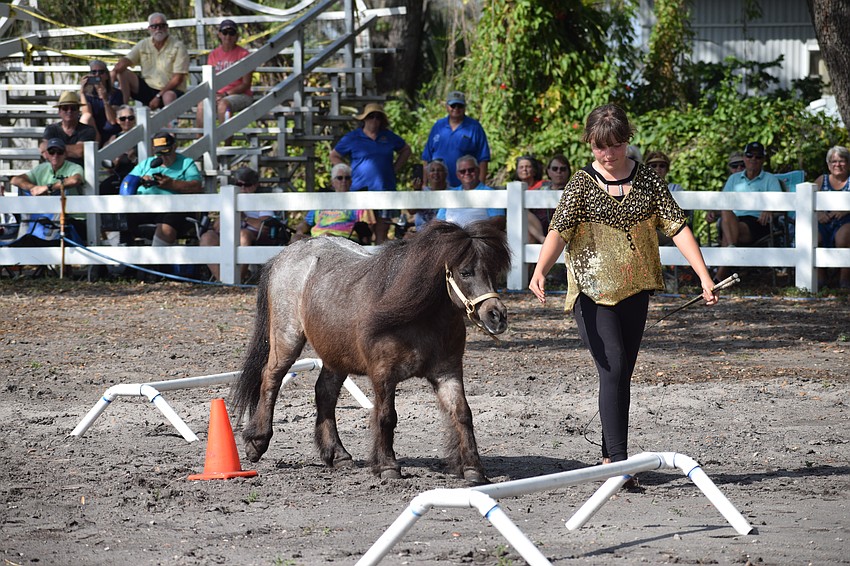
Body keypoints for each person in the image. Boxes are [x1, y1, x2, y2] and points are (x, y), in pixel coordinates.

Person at [529, 104, 718, 474]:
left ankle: (607, 455)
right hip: (591, 292)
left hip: (635, 289)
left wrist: (704, 275)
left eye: (615, 146)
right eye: (601, 147)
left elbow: (677, 227)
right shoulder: (581, 183)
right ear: (590, 145)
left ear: (627, 142)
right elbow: (559, 230)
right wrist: (539, 270)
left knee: (620, 374)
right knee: (613, 367)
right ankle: (618, 465)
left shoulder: (648, 180)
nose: (609, 154)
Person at [329, 103, 411, 244]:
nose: (374, 120)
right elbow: (334, 155)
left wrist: (395, 168)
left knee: (382, 233)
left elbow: (406, 150)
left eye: (378, 117)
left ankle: (380, 264)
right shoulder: (353, 137)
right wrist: (347, 172)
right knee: (363, 232)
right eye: (371, 116)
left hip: (385, 188)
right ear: (364, 119)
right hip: (360, 190)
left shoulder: (389, 136)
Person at [711, 141, 782, 280]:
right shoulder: (734, 179)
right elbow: (722, 203)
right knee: (726, 212)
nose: (753, 160)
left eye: (758, 157)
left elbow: (780, 202)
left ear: (763, 160)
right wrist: (713, 212)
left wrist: (770, 209)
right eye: (750, 156)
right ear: (745, 157)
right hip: (733, 220)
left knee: (728, 233)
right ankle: (730, 252)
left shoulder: (770, 179)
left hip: (758, 222)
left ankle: (719, 276)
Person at [122, 132, 203, 247]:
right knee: (116, 218)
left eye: (166, 152)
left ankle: (157, 262)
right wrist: (140, 180)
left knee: (167, 225)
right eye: (159, 153)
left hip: (173, 208)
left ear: (174, 147)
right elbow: (128, 181)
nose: (163, 157)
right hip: (144, 207)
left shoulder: (186, 163)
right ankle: (120, 261)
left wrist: (173, 184)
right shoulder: (146, 164)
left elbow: (196, 186)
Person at [200, 167, 273, 282]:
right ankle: (222, 281)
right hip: (227, 233)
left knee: (242, 235)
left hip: (251, 234)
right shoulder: (228, 198)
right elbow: (216, 227)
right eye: (239, 184)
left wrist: (244, 218)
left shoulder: (261, 200)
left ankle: (238, 280)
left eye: (247, 185)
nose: (243, 188)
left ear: (255, 185)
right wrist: (225, 215)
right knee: (207, 237)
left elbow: (265, 226)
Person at [9, 138, 85, 245]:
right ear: (46, 154)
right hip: (44, 221)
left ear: (65, 154)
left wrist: (48, 187)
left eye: (59, 152)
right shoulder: (42, 168)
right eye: (52, 152)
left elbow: (75, 180)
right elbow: (15, 180)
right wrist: (33, 188)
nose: (55, 155)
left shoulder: (74, 167)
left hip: (72, 219)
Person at [111, 13, 189, 109]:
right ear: (149, 29)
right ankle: (124, 111)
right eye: (154, 26)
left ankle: (171, 123)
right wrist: (114, 71)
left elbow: (178, 79)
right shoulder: (143, 44)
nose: (158, 29)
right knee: (123, 72)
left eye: (162, 26)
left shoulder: (178, 46)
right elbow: (127, 59)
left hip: (171, 90)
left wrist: (158, 96)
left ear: (167, 27)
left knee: (168, 96)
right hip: (149, 88)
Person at [421, 90, 491, 186]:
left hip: (466, 187)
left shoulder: (474, 127)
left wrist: (480, 187)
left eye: (460, 106)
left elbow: (483, 159)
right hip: (438, 187)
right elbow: (426, 157)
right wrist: (424, 184)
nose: (456, 108)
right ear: (447, 107)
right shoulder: (438, 126)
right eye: (453, 105)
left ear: (465, 107)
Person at [194, 19, 253, 133]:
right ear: (220, 35)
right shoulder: (213, 55)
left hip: (240, 95)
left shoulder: (244, 55)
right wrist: (215, 94)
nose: (228, 36)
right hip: (218, 94)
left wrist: (225, 94)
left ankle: (226, 146)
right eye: (225, 33)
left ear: (236, 36)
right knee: (202, 105)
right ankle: (200, 142)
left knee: (223, 105)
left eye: (231, 33)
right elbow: (210, 81)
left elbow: (246, 84)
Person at [294, 163, 367, 242]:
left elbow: (366, 228)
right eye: (339, 178)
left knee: (326, 237)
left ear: (351, 181)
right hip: (316, 239)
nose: (344, 181)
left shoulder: (357, 202)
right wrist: (300, 231)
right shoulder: (322, 201)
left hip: (344, 240)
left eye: (347, 178)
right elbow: (306, 222)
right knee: (295, 238)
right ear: (332, 182)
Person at [813, 145, 850, 288]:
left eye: (842, 161)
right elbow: (808, 202)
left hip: (846, 221)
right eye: (834, 161)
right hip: (824, 222)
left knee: (843, 237)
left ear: (848, 163)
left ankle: (844, 280)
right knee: (814, 236)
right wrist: (819, 214)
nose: (838, 165)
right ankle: (820, 280)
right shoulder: (822, 180)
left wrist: (846, 210)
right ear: (828, 165)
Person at [435, 155, 505, 227]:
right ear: (458, 175)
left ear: (478, 170)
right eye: (462, 171)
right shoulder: (450, 194)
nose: (467, 173)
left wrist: (473, 230)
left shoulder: (491, 194)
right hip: (451, 235)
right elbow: (439, 220)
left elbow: (499, 220)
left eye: (471, 170)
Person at [40, 92, 97, 167]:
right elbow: (44, 149)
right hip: (53, 171)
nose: (69, 111)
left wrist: (54, 149)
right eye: (65, 108)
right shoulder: (51, 129)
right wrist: (71, 150)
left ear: (78, 111)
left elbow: (79, 151)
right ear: (59, 112)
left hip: (77, 171)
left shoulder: (88, 130)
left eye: (73, 108)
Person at [79, 59, 123, 146]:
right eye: (94, 72)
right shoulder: (88, 94)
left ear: (106, 75)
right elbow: (86, 114)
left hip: (110, 132)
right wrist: (82, 93)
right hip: (94, 131)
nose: (97, 75)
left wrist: (105, 99)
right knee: (86, 117)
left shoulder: (116, 93)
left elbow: (112, 120)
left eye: (101, 72)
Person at [514, 155, 548, 243]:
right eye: (521, 167)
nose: (524, 169)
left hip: (543, 220)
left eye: (528, 167)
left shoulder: (544, 185)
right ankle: (542, 240)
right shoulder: (514, 188)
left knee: (523, 213)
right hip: (523, 225)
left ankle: (542, 240)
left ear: (534, 171)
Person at [413, 159, 448, 228]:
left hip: (443, 232)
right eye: (432, 170)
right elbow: (411, 211)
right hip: (421, 232)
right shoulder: (422, 191)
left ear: (445, 174)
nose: (436, 173)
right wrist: (417, 191)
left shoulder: (453, 192)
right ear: (428, 175)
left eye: (439, 170)